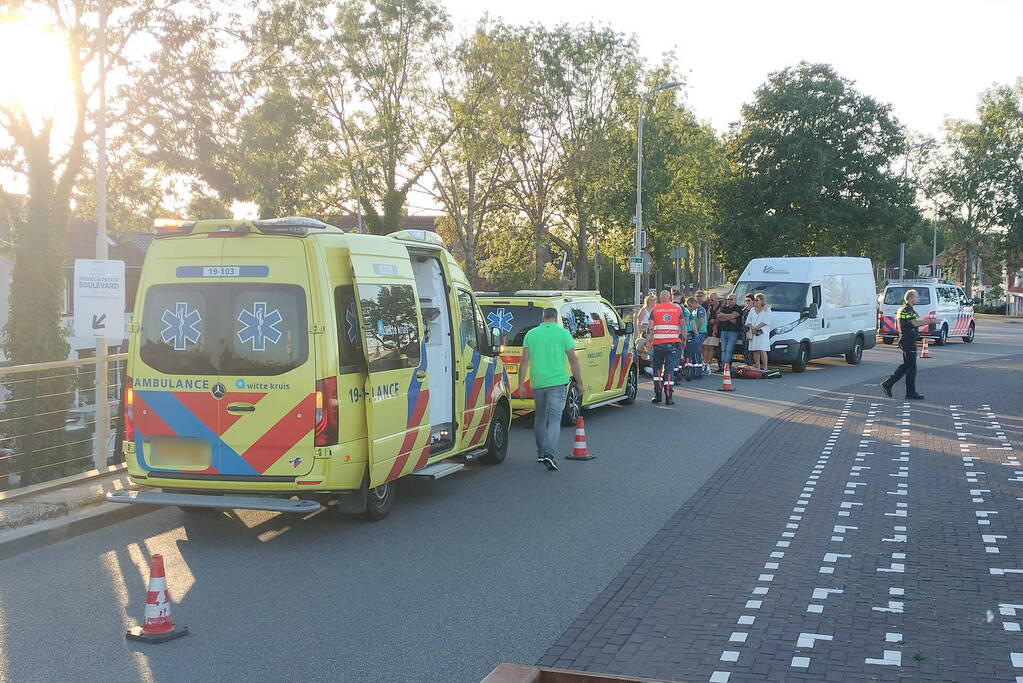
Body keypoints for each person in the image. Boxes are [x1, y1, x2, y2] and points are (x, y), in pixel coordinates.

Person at [517, 308, 585, 471]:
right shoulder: (563, 334)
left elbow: (524, 360)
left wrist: (520, 384)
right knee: (555, 419)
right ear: (555, 318)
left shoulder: (531, 334)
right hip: (557, 382)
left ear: (543, 317)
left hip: (538, 382)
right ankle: (550, 454)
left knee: (540, 418)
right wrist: (580, 383)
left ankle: (541, 453)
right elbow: (573, 360)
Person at [881, 289, 938, 400]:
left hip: (905, 339)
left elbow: (896, 325)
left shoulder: (902, 309)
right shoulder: (908, 310)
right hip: (908, 340)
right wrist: (931, 321)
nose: (918, 298)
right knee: (910, 367)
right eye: (916, 297)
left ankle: (907, 391)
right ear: (910, 298)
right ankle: (891, 384)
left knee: (909, 366)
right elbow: (915, 323)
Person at [648, 290, 684, 405]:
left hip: (658, 344)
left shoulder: (655, 309)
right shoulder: (677, 309)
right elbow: (683, 325)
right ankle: (669, 397)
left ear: (660, 298)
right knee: (669, 370)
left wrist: (649, 341)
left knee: (657, 370)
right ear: (670, 297)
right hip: (673, 344)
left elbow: (650, 328)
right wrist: (684, 339)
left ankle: (658, 395)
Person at [745, 293, 771, 371]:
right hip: (753, 332)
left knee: (762, 349)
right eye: (755, 300)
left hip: (762, 332)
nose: (755, 301)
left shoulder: (767, 309)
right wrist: (752, 328)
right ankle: (758, 367)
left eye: (757, 300)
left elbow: (766, 321)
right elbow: (748, 321)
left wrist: (756, 328)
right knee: (755, 349)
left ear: (762, 301)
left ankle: (765, 368)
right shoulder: (752, 310)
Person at [716, 294, 742, 369]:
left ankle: (725, 366)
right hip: (724, 331)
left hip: (733, 332)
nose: (729, 301)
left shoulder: (738, 308)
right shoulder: (725, 308)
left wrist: (723, 315)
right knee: (723, 349)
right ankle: (722, 366)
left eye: (731, 299)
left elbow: (733, 319)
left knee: (729, 350)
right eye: (728, 299)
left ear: (735, 300)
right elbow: (719, 318)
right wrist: (730, 317)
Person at [703, 292, 722, 373]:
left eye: (712, 299)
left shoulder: (721, 307)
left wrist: (715, 320)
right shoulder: (709, 307)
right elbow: (706, 316)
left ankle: (708, 364)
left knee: (711, 347)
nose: (710, 301)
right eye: (710, 299)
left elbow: (721, 317)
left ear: (716, 299)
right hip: (708, 329)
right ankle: (704, 363)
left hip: (716, 329)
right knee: (705, 346)